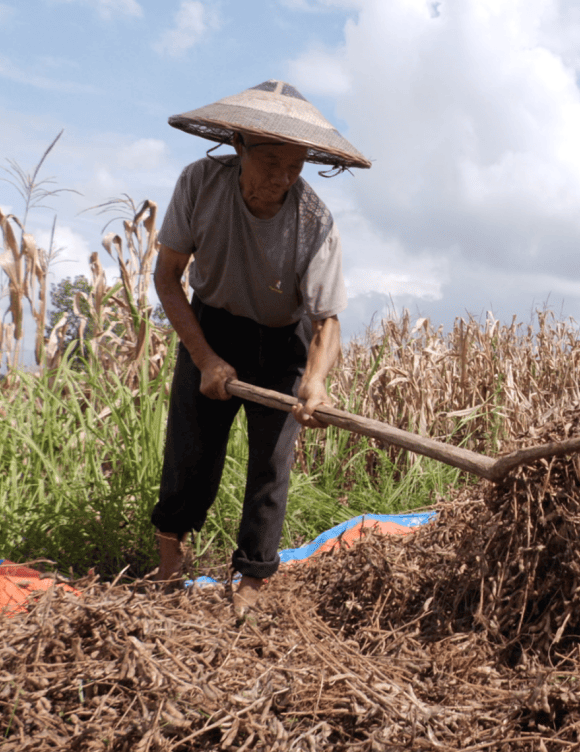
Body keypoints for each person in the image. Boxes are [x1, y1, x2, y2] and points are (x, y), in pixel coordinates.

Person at [150, 80, 371, 615]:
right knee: (190, 451)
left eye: (296, 165)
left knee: (271, 464)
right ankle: (168, 569)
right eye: (271, 161)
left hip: (282, 342)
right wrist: (205, 359)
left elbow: (326, 322)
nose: (283, 177)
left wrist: (314, 383)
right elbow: (167, 277)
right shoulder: (201, 184)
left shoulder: (313, 220)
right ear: (238, 147)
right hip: (211, 327)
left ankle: (251, 582)